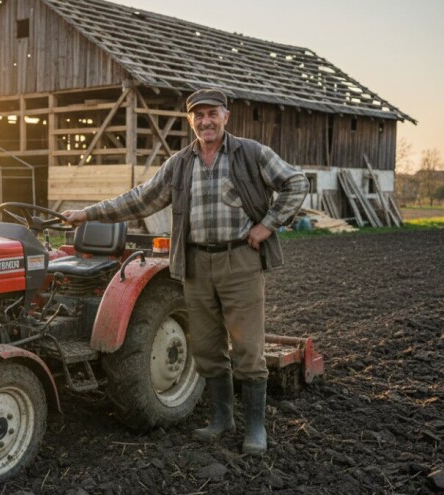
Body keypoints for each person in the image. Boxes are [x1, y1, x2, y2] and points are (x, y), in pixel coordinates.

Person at [62, 88, 308, 456]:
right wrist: (88, 213)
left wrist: (268, 225)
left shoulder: (252, 153)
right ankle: (222, 419)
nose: (205, 121)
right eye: (198, 116)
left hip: (239, 260)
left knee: (247, 347)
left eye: (212, 114)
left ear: (226, 116)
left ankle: (255, 428)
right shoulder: (179, 163)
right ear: (190, 121)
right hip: (195, 263)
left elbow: (297, 182)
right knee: (207, 347)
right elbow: (139, 199)